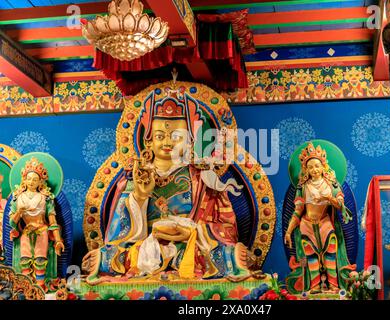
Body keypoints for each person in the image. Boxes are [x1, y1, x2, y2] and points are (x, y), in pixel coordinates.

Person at [82, 92, 251, 283]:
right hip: (147, 246)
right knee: (115, 257)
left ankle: (227, 259)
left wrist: (192, 233)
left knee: (224, 254)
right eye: (160, 136)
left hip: (190, 246)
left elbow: (225, 225)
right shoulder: (137, 176)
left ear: (190, 142)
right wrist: (139, 197)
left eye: (177, 137)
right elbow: (118, 232)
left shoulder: (203, 178)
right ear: (148, 142)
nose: (168, 142)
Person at [285, 142, 355, 293]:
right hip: (306, 225)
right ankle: (315, 286)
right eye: (310, 167)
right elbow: (297, 211)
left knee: (331, 252)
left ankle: (334, 286)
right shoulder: (302, 187)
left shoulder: (332, 184)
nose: (314, 170)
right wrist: (289, 231)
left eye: (317, 166)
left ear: (323, 166)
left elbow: (340, 206)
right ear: (306, 170)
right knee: (310, 257)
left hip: (325, 223)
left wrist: (329, 198)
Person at [9, 157, 64, 290]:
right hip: (26, 231)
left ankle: (40, 286)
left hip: (42, 230)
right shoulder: (18, 198)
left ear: (40, 181)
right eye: (29, 179)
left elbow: (52, 221)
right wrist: (19, 213)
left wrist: (57, 240)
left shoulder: (46, 198)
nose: (31, 182)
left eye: (35, 179)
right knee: (24, 261)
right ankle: (25, 287)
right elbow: (12, 223)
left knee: (40, 260)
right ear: (24, 180)